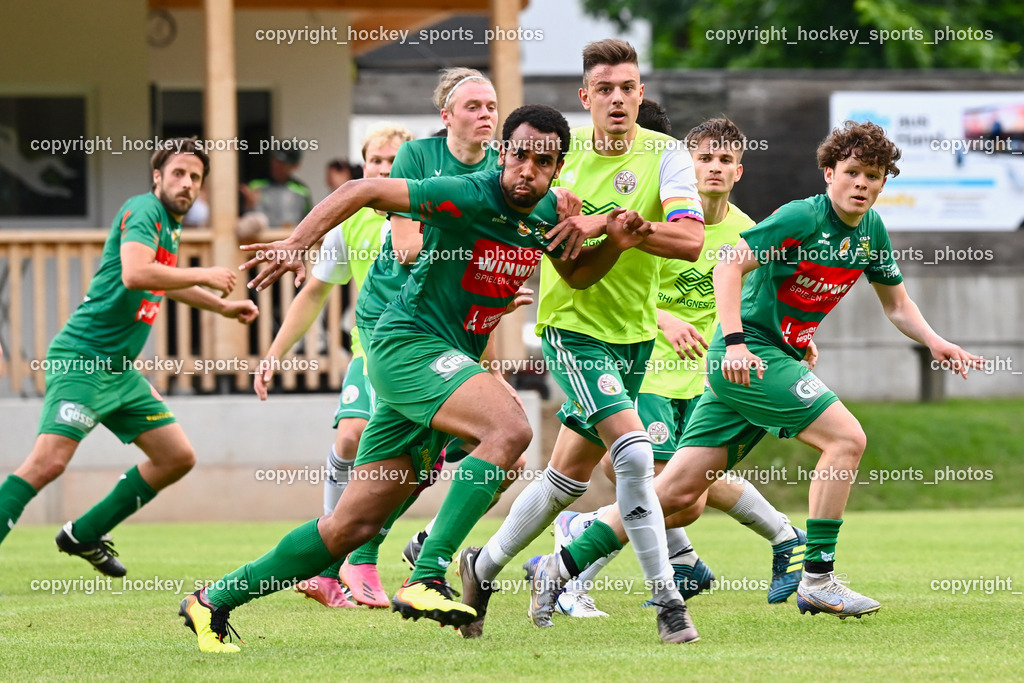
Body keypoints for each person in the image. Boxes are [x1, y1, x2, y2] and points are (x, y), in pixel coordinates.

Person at [178, 104, 648, 653]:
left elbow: (576, 273)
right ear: (502, 152)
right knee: (511, 432)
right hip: (408, 346)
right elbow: (361, 192)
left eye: (541, 161)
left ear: (557, 165)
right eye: (518, 154)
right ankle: (427, 576)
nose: (527, 169)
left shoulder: (547, 213)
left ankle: (211, 601)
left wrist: (614, 242)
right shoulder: (468, 193)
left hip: (441, 365)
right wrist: (297, 243)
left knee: (348, 529)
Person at [530, 120, 984, 633]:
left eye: (874, 176)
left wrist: (937, 342)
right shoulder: (799, 217)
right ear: (829, 173)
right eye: (852, 172)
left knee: (674, 494)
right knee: (847, 439)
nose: (862, 183)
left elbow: (897, 305)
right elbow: (728, 265)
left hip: (765, 359)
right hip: (750, 356)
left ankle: (559, 567)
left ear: (884, 182)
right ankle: (817, 579)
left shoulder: (871, 232)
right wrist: (738, 342)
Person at [455, 39, 706, 645]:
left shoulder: (667, 155)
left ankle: (482, 568)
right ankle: (667, 603)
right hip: (572, 331)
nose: (617, 99)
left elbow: (691, 240)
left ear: (641, 93)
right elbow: (530, 222)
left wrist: (616, 224)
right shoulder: (556, 159)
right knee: (637, 456)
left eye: (628, 88)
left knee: (565, 476)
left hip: (635, 336)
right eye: (604, 90)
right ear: (584, 97)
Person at [547, 113, 808, 619]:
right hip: (647, 366)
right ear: (686, 167)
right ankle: (573, 564)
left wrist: (794, 339)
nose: (714, 167)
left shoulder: (747, 231)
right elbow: (622, 283)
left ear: (739, 172)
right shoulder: (662, 223)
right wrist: (666, 320)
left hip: (706, 379)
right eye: (704, 158)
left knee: (681, 494)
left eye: (725, 160)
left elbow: (760, 300)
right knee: (652, 480)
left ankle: (672, 554)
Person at [0, 139, 258, 573]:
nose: (187, 183)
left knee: (176, 456)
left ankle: (83, 533)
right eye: (178, 173)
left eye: (195, 177)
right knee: (48, 463)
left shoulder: (170, 224)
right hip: (84, 359)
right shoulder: (143, 210)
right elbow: (137, 273)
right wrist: (206, 273)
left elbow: (161, 282)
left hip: (120, 372)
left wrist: (223, 306)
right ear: (157, 177)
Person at [251, 123, 414, 608]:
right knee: (350, 436)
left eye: (393, 162)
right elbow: (314, 292)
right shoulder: (352, 223)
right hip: (372, 353)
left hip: (429, 357)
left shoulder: (431, 218)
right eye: (375, 161)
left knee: (423, 468)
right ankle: (328, 568)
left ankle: (425, 557)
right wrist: (274, 354)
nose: (383, 170)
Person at [241, 149, 312, 228]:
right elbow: (246, 219)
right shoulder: (256, 185)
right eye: (275, 160)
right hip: (262, 238)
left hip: (290, 237)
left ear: (295, 165)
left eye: (283, 163)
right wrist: (249, 206)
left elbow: (309, 220)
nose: (277, 165)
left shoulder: (301, 190)